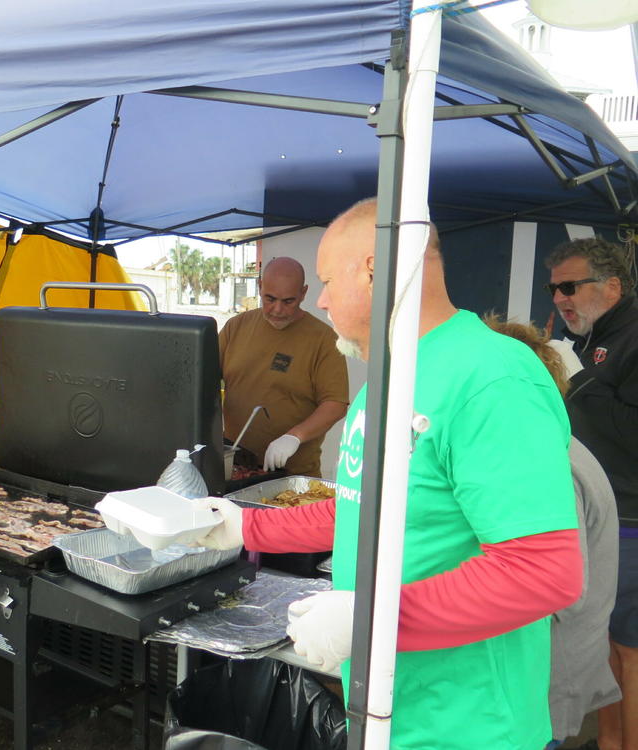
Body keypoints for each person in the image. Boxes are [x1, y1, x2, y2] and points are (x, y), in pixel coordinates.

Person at [197, 199, 583, 750]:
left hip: (469, 725)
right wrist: (240, 526)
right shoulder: (390, 377)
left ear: (376, 267)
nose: (323, 301)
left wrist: (376, 620)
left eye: (329, 281)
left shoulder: (492, 376)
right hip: (387, 709)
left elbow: (542, 571)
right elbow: (358, 505)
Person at [484, 314, 621, 747]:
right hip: (534, 668)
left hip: (544, 678)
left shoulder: (550, 464)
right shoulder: (545, 442)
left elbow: (558, 587)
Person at [545, 237, 638, 750]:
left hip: (628, 519)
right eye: (553, 287)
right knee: (599, 643)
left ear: (613, 286)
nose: (560, 297)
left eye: (570, 286)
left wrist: (579, 382)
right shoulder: (583, 337)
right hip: (585, 513)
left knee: (628, 648)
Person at [219, 256, 348, 476]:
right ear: (260, 287)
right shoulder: (236, 327)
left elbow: (335, 403)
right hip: (235, 468)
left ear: (304, 293)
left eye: (288, 301)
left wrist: (295, 436)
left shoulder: (323, 339)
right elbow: (203, 380)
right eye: (269, 299)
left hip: (293, 474)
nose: (277, 309)